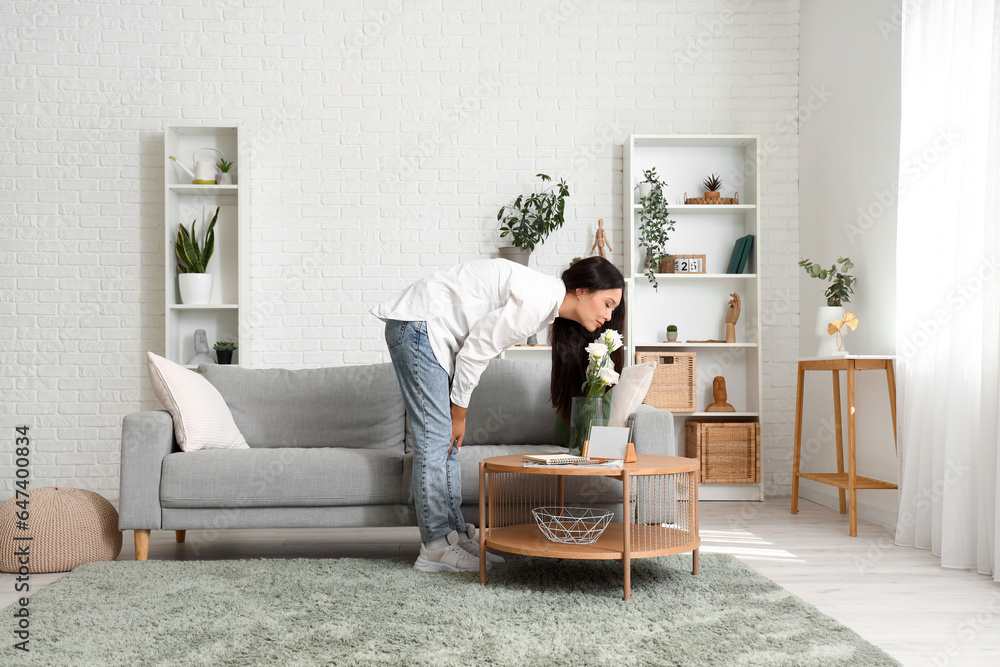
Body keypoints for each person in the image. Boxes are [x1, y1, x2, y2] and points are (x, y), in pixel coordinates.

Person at [371, 256, 625, 573]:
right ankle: (434, 548)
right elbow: (477, 349)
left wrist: (457, 412)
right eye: (607, 303)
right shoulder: (538, 299)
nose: (608, 315)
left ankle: (454, 537)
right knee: (436, 442)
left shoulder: (544, 304)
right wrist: (459, 413)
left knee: (446, 445)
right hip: (419, 327)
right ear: (583, 290)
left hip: (425, 329)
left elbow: (475, 345)